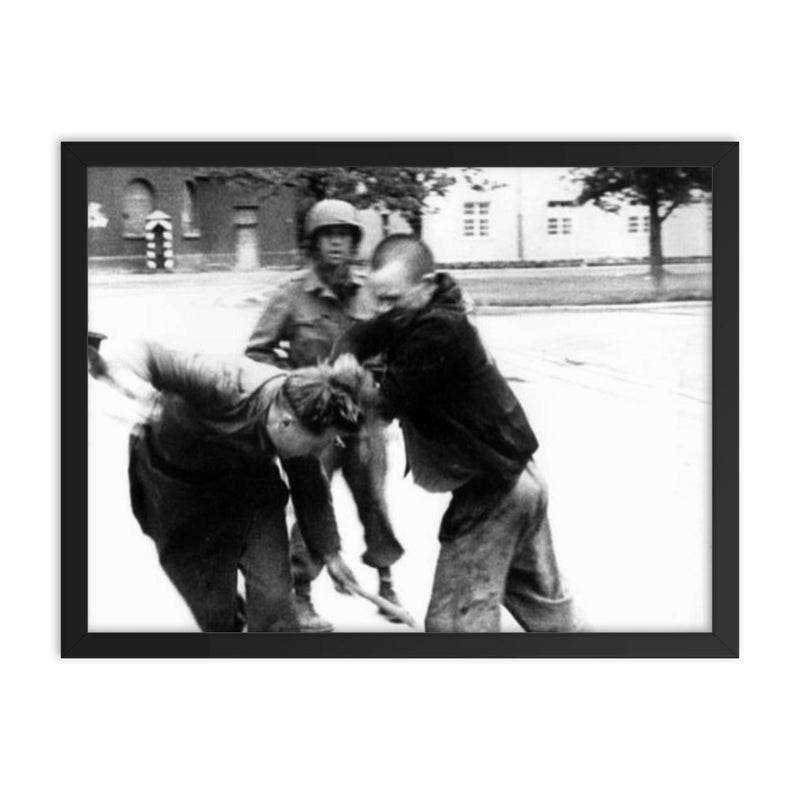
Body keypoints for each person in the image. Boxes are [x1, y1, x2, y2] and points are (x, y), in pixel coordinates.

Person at [334, 234, 577, 633]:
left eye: (391, 299)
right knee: (548, 613)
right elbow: (367, 332)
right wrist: (348, 350)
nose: (382, 310)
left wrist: (353, 379)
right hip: (520, 482)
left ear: (427, 285)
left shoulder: (438, 329)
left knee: (453, 624)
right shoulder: (415, 310)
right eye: (377, 299)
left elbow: (386, 403)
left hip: (495, 492)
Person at [92, 338, 368, 632]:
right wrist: (132, 390)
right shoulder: (222, 381)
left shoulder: (304, 415)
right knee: (215, 614)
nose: (319, 452)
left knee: (275, 599)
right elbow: (146, 355)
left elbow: (311, 490)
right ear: (285, 423)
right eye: (317, 444)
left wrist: (331, 554)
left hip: (251, 489)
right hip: (178, 493)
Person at [246, 199, 404, 631]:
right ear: (313, 243)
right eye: (327, 235)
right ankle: (301, 595)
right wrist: (296, 384)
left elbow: (392, 350)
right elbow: (257, 352)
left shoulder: (369, 294)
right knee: (310, 504)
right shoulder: (292, 294)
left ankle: (386, 584)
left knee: (374, 500)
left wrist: (380, 389)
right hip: (314, 422)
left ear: (355, 243)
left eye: (344, 235)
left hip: (363, 420)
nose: (336, 243)